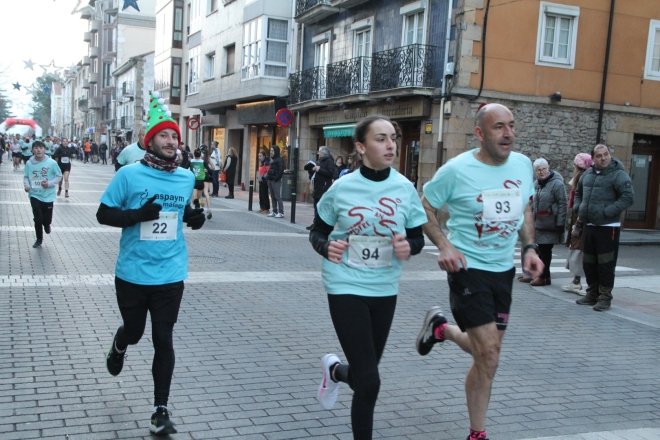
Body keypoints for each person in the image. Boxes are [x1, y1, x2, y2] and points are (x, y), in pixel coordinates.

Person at [416, 103, 543, 440]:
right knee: (489, 354)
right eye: (499, 127)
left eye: (511, 125)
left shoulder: (522, 164)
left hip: (503, 271)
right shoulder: (457, 170)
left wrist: (530, 248)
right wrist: (444, 245)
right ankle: (478, 434)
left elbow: (524, 208)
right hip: (467, 268)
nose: (508, 133)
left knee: (486, 352)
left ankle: (441, 329)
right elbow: (424, 205)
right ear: (480, 133)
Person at [310, 115, 426, 440]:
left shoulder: (404, 188)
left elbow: (417, 237)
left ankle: (335, 371)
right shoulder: (342, 187)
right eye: (380, 138)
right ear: (361, 147)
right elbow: (317, 231)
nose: (390, 145)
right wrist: (326, 247)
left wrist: (409, 247)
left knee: (365, 375)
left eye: (393, 138)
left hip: (385, 287)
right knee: (371, 381)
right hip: (344, 283)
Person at [97, 92, 206, 435]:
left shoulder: (185, 177)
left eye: (175, 136)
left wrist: (193, 218)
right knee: (135, 332)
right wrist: (136, 216)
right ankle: (120, 344)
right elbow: (103, 214)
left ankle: (160, 410)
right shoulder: (129, 175)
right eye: (165, 135)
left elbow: (179, 213)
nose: (172, 141)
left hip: (170, 272)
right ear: (151, 140)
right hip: (132, 272)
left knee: (163, 338)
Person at [574, 144, 634, 311]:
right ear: (593, 159)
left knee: (606, 264)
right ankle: (592, 294)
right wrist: (579, 208)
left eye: (606, 154)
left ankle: (605, 297)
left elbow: (628, 197)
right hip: (589, 225)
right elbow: (578, 193)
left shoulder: (618, 175)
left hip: (608, 227)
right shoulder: (587, 175)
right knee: (589, 263)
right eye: (599, 156)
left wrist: (607, 212)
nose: (604, 158)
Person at [525, 158, 567, 286]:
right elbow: (532, 203)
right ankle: (546, 276)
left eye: (544, 169)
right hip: (538, 223)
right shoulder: (536, 184)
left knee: (545, 250)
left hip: (550, 222)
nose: (541, 172)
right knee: (542, 250)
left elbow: (563, 204)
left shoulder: (557, 184)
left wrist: (561, 223)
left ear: (548, 168)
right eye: (538, 170)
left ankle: (542, 277)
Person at [561, 153, 594, 294]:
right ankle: (576, 281)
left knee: (579, 250)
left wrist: (579, 223)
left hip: (582, 219)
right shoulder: (581, 178)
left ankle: (581, 283)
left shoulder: (583, 179)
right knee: (577, 249)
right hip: (579, 217)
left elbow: (583, 202)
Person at [23, 141, 62, 248]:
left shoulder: (52, 163)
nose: (38, 150)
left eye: (41, 148)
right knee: (38, 218)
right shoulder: (29, 163)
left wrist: (49, 183)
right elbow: (26, 176)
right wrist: (27, 186)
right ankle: (39, 239)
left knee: (47, 218)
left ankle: (47, 224)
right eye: (36, 148)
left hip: (48, 195)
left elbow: (59, 175)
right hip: (34, 194)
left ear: (45, 150)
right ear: (32, 150)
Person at [307, 146, 335, 229]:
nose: (318, 153)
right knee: (316, 206)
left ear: (323, 153)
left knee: (321, 207)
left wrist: (319, 170)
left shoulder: (329, 160)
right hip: (317, 188)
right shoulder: (319, 161)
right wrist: (311, 170)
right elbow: (315, 173)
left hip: (324, 188)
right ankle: (316, 223)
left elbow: (330, 173)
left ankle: (320, 225)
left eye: (319, 151)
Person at [265, 145, 284, 217]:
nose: (271, 152)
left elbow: (280, 171)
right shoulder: (272, 160)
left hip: (275, 180)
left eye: (272, 150)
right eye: (270, 150)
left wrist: (275, 178)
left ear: (276, 151)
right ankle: (274, 211)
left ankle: (281, 212)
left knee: (277, 196)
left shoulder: (279, 160)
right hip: (270, 180)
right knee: (272, 196)